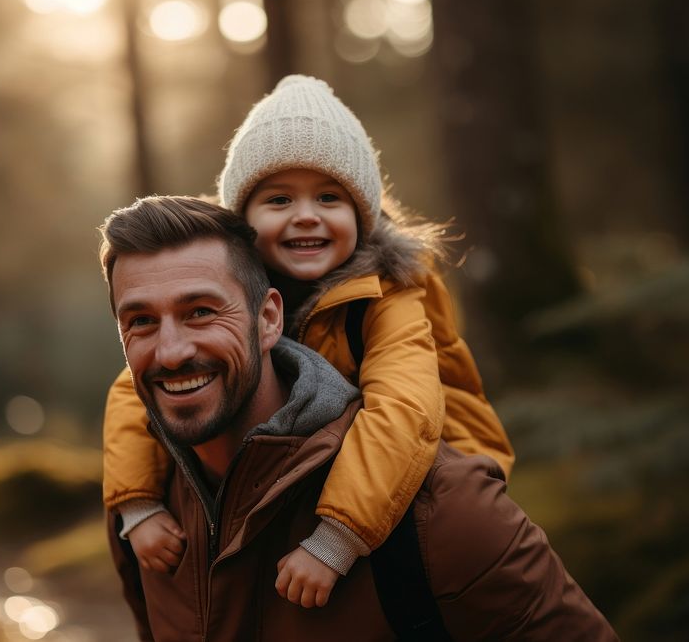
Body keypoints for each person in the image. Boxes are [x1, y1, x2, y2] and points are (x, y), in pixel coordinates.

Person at [98, 195, 617, 641]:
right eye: (141, 321)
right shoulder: (145, 506)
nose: (169, 352)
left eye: (202, 312)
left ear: (269, 318)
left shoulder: (445, 512)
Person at [104, 75, 515, 607]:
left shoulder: (388, 297)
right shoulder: (233, 295)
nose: (305, 215)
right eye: (279, 199)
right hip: (335, 469)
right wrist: (137, 506)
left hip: (435, 472)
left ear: (361, 215)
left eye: (329, 197)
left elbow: (403, 411)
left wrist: (336, 537)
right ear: (244, 222)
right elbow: (131, 390)